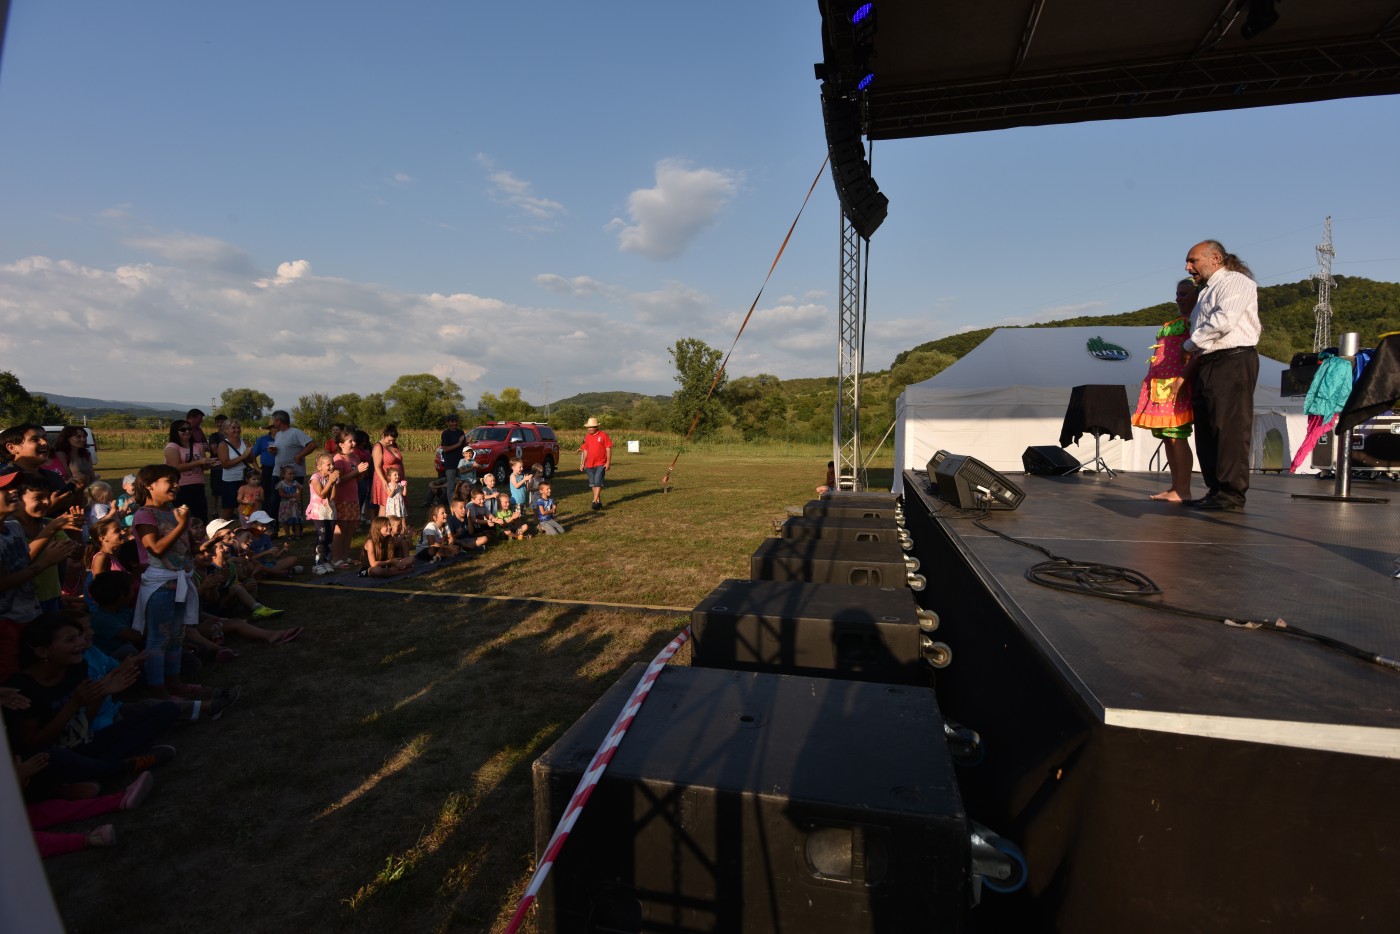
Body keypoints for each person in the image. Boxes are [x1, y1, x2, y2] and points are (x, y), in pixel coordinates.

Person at [1182, 240, 1261, 511]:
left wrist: (1189, 345)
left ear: (1215, 258)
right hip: (1208, 361)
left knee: (1229, 428)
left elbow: (1224, 320)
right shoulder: (1206, 290)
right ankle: (1216, 489)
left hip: (1232, 359)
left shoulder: (1235, 281)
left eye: (1193, 260)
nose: (1188, 267)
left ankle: (1231, 493)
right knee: (1207, 428)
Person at [1133, 278, 1200, 503]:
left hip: (1177, 384)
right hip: (1161, 385)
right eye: (1177, 294)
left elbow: (1197, 351)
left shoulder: (1196, 321)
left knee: (1176, 436)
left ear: (1197, 295)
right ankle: (1175, 486)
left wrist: (1182, 380)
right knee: (1167, 437)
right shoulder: (1178, 321)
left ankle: (1183, 489)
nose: (1178, 298)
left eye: (1183, 294)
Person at [265, 411, 318, 536]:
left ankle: (297, 529)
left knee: (295, 502)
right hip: (278, 473)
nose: (272, 422)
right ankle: (273, 530)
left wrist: (299, 455)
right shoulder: (278, 434)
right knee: (274, 502)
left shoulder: (295, 432)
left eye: (273, 420)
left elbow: (312, 445)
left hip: (293, 474)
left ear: (279, 421)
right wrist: (273, 452)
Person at [162, 420, 215, 523]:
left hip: (198, 484)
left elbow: (205, 467)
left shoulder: (198, 445)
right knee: (185, 518)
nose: (187, 431)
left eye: (189, 429)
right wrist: (198, 462)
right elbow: (176, 468)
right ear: (175, 431)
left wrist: (208, 463)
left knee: (201, 516)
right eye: (183, 429)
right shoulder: (172, 447)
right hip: (181, 486)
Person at [331, 429, 370, 566]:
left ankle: (345, 556)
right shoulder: (338, 459)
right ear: (341, 444)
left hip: (353, 498)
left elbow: (358, 478)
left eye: (354, 441)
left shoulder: (354, 457)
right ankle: (336, 558)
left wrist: (362, 472)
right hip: (342, 499)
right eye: (350, 441)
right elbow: (338, 480)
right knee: (341, 528)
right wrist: (356, 471)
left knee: (350, 528)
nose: (354, 443)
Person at [215, 419, 258, 521]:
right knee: (228, 509)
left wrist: (250, 456)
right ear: (226, 430)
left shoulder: (245, 442)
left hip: (245, 481)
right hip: (230, 481)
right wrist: (243, 456)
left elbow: (251, 460)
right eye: (233, 428)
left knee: (248, 507)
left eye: (238, 427)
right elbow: (225, 464)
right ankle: (220, 528)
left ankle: (246, 527)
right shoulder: (223, 445)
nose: (237, 430)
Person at [578, 416, 612, 511]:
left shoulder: (603, 435)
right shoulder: (587, 437)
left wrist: (608, 462)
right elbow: (585, 450)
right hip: (589, 464)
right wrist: (582, 463)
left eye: (591, 427)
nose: (589, 429)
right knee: (593, 483)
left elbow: (608, 448)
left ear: (596, 427)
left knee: (598, 481)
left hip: (601, 463)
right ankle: (598, 501)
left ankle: (594, 500)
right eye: (588, 427)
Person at [370, 425, 404, 522]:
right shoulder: (378, 447)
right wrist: (383, 480)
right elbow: (377, 466)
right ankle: (382, 525)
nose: (391, 442)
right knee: (385, 503)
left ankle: (396, 524)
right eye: (389, 440)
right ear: (383, 435)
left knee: (398, 501)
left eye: (393, 440)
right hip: (384, 478)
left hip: (396, 478)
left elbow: (400, 462)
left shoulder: (394, 445)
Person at [440, 414, 467, 505]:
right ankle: (452, 506)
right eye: (452, 421)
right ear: (448, 423)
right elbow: (445, 449)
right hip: (450, 463)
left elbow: (464, 446)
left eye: (456, 421)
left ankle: (462, 504)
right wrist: (458, 443)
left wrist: (467, 442)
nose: (454, 423)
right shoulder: (446, 433)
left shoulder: (460, 432)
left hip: (461, 463)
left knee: (462, 484)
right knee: (451, 486)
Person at [274, 465, 304, 538]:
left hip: (295, 505)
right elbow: (281, 494)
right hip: (286, 505)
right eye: (290, 474)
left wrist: (299, 490)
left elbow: (300, 489)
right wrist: (293, 495)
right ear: (283, 475)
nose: (292, 475)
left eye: (293, 474)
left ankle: (297, 534)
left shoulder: (295, 483)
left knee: (296, 519)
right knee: (286, 521)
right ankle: (287, 535)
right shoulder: (281, 484)